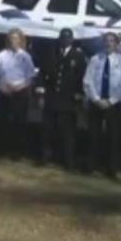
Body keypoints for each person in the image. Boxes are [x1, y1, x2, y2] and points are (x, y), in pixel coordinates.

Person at [82, 32, 121, 179]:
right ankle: (91, 166)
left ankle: (111, 169)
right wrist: (96, 99)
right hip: (96, 102)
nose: (108, 43)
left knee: (113, 137)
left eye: (111, 41)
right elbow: (87, 81)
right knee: (93, 135)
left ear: (116, 44)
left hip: (113, 104)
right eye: (106, 41)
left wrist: (111, 100)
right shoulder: (95, 59)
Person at [38, 28, 86, 170]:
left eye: (68, 38)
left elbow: (82, 77)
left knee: (67, 133)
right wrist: (41, 93)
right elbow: (42, 73)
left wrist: (79, 94)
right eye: (63, 38)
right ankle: (45, 157)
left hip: (68, 99)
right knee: (47, 130)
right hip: (52, 97)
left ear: (72, 40)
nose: (65, 40)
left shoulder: (78, 56)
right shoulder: (52, 52)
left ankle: (68, 161)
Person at [0, 28, 37, 160]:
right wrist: (1, 86)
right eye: (11, 38)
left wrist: (20, 86)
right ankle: (0, 151)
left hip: (20, 93)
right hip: (3, 91)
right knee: (2, 123)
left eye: (16, 38)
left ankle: (17, 153)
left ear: (21, 40)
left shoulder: (26, 57)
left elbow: (31, 77)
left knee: (19, 124)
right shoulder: (1, 55)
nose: (13, 41)